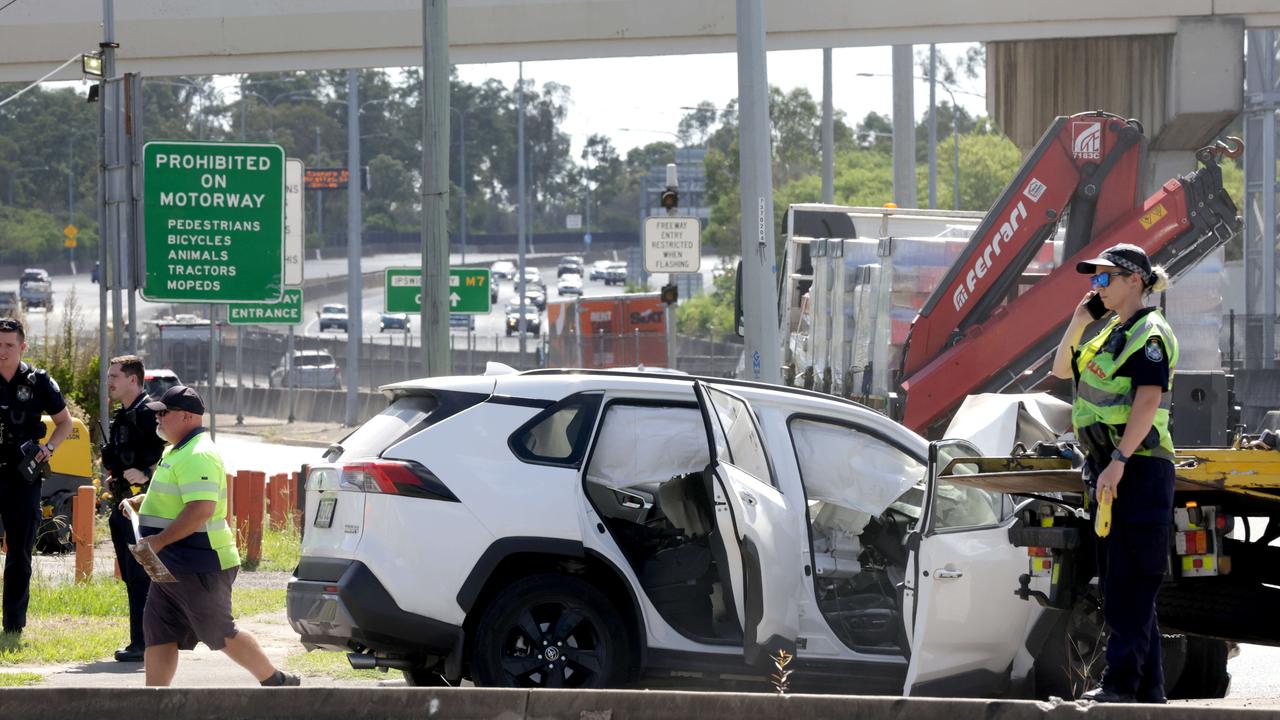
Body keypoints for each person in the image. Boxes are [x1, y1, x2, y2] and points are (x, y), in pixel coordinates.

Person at [1050, 243, 1178, 704]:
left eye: (1104, 278)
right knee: (1123, 577)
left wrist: (1120, 462)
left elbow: (1147, 401)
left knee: (1131, 580)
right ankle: (1149, 689)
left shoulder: (1150, 332)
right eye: (1094, 280)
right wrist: (1079, 321)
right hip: (1110, 468)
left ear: (1134, 280)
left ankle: (1123, 683)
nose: (1096, 287)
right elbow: (1061, 367)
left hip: (1138, 467)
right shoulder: (1106, 333)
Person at [121, 385, 299, 687]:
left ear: (187, 417)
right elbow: (177, 497)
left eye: (164, 413)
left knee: (219, 631)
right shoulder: (175, 450)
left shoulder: (198, 453)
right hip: (170, 564)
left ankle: (275, 681)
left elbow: (201, 509)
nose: (158, 419)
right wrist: (142, 504)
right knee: (159, 631)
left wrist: (160, 540)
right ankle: (154, 703)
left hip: (199, 562)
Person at [0, 318, 73, 636]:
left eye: (8, 346)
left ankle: (13, 625)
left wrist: (49, 449)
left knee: (19, 553)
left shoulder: (38, 381)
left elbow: (65, 422)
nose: (2, 352)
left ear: (22, 347)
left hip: (22, 478)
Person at [103, 354, 168, 662]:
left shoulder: (149, 414)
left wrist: (148, 474)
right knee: (132, 576)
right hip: (123, 504)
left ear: (133, 380)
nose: (109, 381)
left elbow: (173, 451)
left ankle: (144, 644)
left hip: (143, 506)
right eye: (109, 376)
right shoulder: (123, 415)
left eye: (115, 376)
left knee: (142, 576)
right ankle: (144, 640)